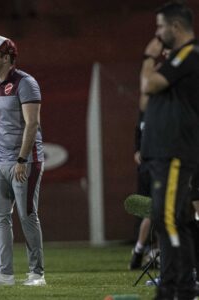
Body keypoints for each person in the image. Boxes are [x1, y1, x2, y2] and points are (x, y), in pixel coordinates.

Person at [140, 2, 199, 299]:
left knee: (168, 220)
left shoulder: (189, 55)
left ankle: (176, 287)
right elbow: (143, 100)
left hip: (174, 151)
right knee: (173, 220)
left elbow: (148, 85)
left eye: (161, 25)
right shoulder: (175, 60)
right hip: (161, 152)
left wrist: (149, 57)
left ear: (175, 27)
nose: (157, 32)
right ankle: (181, 286)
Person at [0, 35, 45, 287]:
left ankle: (37, 273)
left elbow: (32, 123)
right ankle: (5, 274)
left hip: (24, 161)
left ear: (6, 58)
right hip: (0, 161)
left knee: (27, 215)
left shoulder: (25, 83)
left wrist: (21, 158)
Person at [129, 94, 153, 270]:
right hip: (153, 168)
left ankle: (140, 251)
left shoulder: (149, 112)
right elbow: (138, 133)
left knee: (153, 212)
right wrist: (138, 150)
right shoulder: (149, 112)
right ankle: (146, 252)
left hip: (152, 166)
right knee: (155, 211)